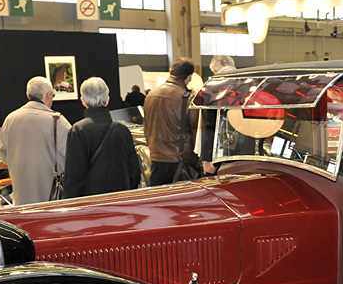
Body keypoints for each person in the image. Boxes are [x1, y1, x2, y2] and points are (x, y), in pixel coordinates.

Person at [63, 76, 141, 198]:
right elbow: (134, 170)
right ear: (107, 100)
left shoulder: (78, 130)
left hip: (91, 203)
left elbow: (74, 175)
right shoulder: (122, 130)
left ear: (83, 101)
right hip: (119, 200)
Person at [0, 76, 70, 205]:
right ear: (48, 95)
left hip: (21, 192)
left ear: (27, 95)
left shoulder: (10, 119)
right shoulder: (57, 121)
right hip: (51, 193)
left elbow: (2, 153)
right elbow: (72, 154)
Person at [144, 58, 199, 186]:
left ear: (171, 72)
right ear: (189, 77)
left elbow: (146, 127)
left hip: (156, 157)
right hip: (180, 161)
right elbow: (196, 132)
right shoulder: (189, 98)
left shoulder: (151, 95)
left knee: (159, 200)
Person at [198, 54, 236, 174]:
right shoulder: (248, 84)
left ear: (214, 71)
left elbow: (208, 124)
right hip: (247, 152)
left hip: (221, 151)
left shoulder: (212, 87)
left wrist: (208, 159)